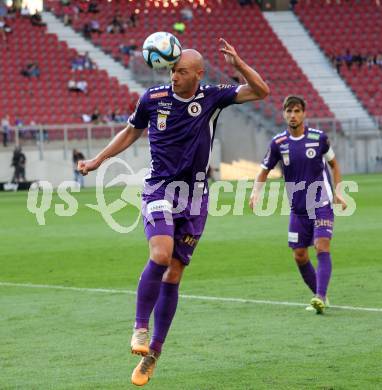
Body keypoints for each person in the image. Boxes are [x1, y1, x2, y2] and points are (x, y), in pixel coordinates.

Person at [77, 39, 269, 386]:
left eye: (181, 71)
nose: (174, 77)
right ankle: (139, 327)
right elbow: (130, 131)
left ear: (198, 74)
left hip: (195, 197)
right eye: (171, 70)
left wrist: (239, 64)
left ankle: (153, 354)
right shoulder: (153, 99)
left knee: (175, 274)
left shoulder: (212, 97)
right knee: (161, 254)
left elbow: (261, 91)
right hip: (160, 187)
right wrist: (97, 160)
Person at [249, 95, 346, 315]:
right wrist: (256, 192)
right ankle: (321, 296)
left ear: (304, 113)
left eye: (297, 111)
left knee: (322, 246)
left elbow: (334, 165)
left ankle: (319, 296)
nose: (293, 115)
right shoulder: (278, 143)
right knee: (299, 255)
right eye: (289, 111)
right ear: (283, 113)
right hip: (298, 208)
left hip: (321, 202)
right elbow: (263, 170)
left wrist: (338, 192)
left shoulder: (319, 138)